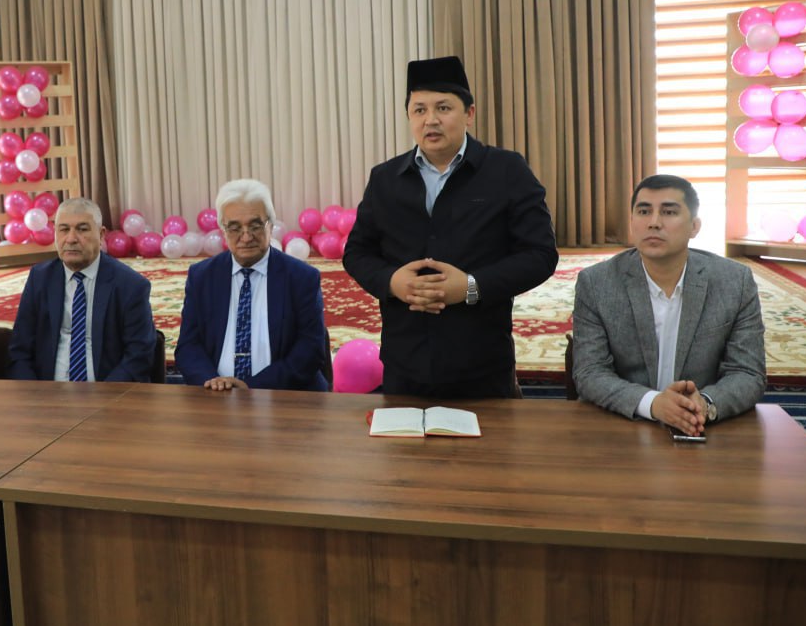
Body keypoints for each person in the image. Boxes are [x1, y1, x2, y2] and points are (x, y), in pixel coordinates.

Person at [343, 55, 558, 398]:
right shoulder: (385, 179)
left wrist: (472, 286)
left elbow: (540, 254)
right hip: (404, 362)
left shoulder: (506, 171)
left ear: (469, 113)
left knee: (489, 436)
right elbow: (357, 252)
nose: (431, 120)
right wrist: (392, 281)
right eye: (419, 110)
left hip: (482, 362)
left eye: (443, 108)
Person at [571, 175, 766, 435]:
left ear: (694, 227)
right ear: (631, 222)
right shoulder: (596, 283)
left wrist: (704, 404)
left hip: (702, 427)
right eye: (644, 211)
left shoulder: (734, 282)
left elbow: (748, 373)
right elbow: (590, 372)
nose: (654, 222)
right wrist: (653, 404)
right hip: (622, 425)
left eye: (669, 212)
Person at [177, 179, 329, 392]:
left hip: (283, 394)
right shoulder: (202, 276)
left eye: (255, 226)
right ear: (223, 230)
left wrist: (251, 387)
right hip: (215, 395)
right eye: (235, 228)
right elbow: (188, 346)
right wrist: (213, 383)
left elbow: (310, 350)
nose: (246, 237)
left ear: (271, 225)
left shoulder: (301, 277)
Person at [6, 197, 157, 381]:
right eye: (64, 229)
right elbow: (20, 350)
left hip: (108, 390)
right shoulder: (40, 279)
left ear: (101, 235)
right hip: (47, 391)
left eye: (82, 229)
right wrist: (34, 393)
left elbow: (138, 356)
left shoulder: (130, 285)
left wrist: (105, 395)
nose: (71, 239)